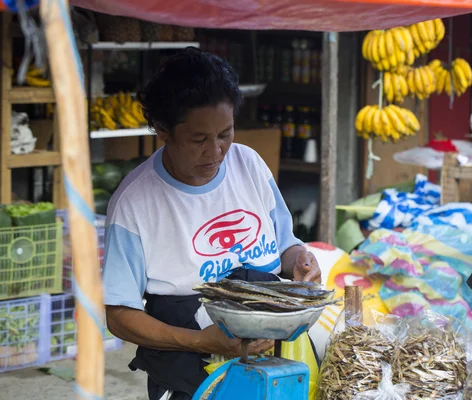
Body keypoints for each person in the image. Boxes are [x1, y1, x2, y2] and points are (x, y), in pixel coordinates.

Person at [101, 48, 322, 400]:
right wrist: (198, 340)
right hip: (188, 364)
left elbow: (286, 247)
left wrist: (301, 261)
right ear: (162, 130)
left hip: (274, 352)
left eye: (225, 133)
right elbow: (119, 314)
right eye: (199, 139)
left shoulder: (248, 163)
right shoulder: (135, 203)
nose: (217, 151)